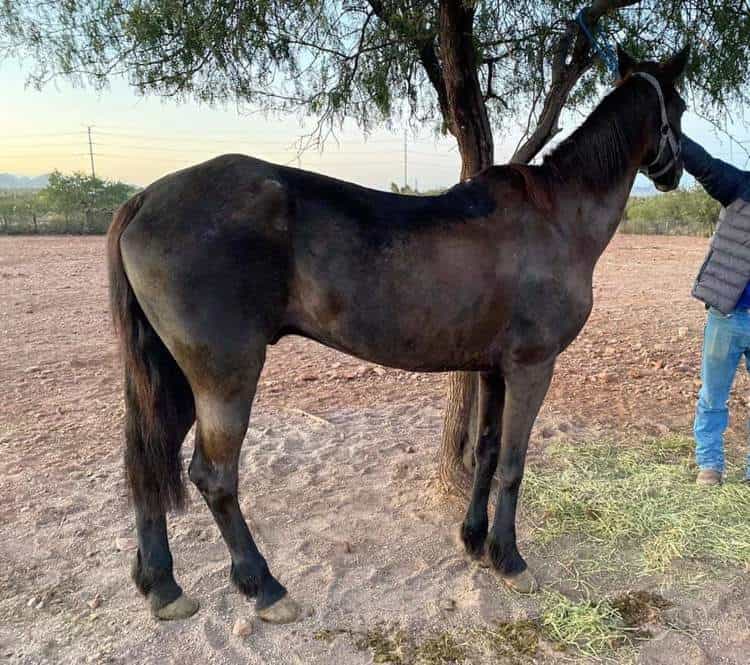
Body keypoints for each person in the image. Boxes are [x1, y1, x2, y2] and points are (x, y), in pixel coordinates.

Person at [686, 135, 750, 485]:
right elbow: (704, 165)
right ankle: (710, 465)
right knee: (713, 396)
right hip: (726, 317)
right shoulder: (739, 186)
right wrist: (668, 128)